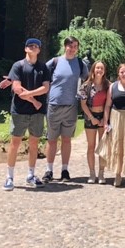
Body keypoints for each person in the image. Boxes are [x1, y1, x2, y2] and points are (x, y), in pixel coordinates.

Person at [1, 38, 50, 191]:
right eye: (30, 46)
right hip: (20, 111)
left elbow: (46, 87)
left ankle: (31, 174)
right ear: (25, 49)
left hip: (37, 113)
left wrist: (29, 94)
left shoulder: (43, 67)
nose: (33, 48)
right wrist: (34, 100)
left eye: (36, 46)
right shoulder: (18, 66)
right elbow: (16, 88)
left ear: (39, 50)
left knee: (34, 144)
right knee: (15, 143)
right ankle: (9, 176)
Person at [43, 36, 89, 183]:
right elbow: (41, 75)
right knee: (51, 140)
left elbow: (89, 80)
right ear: (65, 46)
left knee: (67, 139)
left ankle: (64, 169)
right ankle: (49, 170)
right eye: (70, 45)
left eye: (75, 46)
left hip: (71, 106)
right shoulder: (55, 62)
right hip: (54, 104)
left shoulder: (80, 64)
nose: (73, 48)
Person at [77, 60, 110, 184]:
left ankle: (101, 173)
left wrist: (104, 119)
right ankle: (92, 173)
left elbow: (110, 103)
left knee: (102, 146)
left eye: (101, 68)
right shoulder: (86, 85)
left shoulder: (108, 85)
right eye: (97, 68)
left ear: (104, 71)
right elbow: (83, 105)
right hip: (90, 116)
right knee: (91, 146)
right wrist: (92, 118)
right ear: (93, 70)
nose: (99, 71)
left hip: (104, 117)